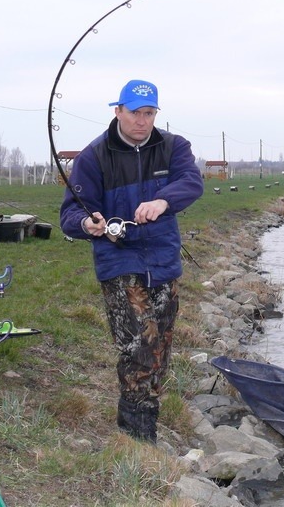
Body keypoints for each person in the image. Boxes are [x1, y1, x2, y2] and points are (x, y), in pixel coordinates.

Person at [60, 79, 204, 442]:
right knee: (139, 343)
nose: (142, 121)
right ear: (118, 111)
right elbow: (70, 216)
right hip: (118, 260)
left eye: (149, 113)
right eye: (135, 113)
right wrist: (88, 223)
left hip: (163, 259)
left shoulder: (173, 147)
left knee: (161, 345)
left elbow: (191, 181)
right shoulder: (93, 157)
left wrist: (163, 201)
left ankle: (148, 418)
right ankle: (136, 433)